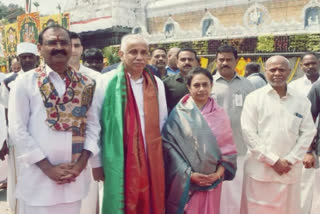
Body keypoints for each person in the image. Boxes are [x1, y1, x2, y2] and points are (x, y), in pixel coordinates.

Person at [8, 25, 99, 214]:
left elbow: (93, 125)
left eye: (63, 42)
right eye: (51, 42)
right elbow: (17, 129)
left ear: (71, 48)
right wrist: (48, 168)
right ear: (40, 49)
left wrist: (81, 164)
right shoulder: (25, 83)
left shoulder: (86, 83)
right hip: (38, 181)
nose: (59, 47)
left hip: (74, 179)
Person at [89, 34, 167, 214]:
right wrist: (96, 162)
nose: (139, 57)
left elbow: (162, 121)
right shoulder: (105, 82)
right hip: (115, 159)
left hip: (150, 159)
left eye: (143, 52)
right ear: (121, 54)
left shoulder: (156, 84)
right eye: (133, 52)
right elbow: (94, 123)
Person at [240, 55, 316, 214]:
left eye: (281, 69)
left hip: (289, 170)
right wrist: (272, 160)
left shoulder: (301, 100)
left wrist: (290, 159)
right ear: (265, 71)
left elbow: (308, 132)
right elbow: (248, 133)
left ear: (289, 71)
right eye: (273, 69)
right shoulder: (254, 99)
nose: (277, 73)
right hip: (260, 171)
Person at [162, 67, 237, 214]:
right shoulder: (178, 114)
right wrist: (188, 174)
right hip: (186, 182)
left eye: (205, 84)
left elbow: (228, 150)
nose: (201, 89)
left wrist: (218, 173)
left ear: (211, 86)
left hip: (214, 180)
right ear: (188, 87)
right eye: (196, 85)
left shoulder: (220, 115)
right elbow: (168, 146)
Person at [211, 45, 254, 214]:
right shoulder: (208, 83)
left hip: (240, 147)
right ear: (216, 61)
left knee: (237, 190)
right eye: (221, 59)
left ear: (237, 61)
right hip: (214, 149)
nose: (225, 63)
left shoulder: (247, 85)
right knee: (218, 191)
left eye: (229, 59)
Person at [68, 31, 101, 214]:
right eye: (69, 45)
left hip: (89, 149)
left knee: (89, 203)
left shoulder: (96, 78)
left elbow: (98, 119)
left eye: (77, 46)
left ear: (82, 49)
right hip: (61, 153)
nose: (73, 50)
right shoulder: (49, 77)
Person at [289, 52, 320, 214]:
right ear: (301, 66)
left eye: (313, 63)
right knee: (305, 186)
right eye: (307, 64)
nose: (310, 67)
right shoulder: (294, 87)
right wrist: (308, 148)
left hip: (314, 142)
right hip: (303, 143)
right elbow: (303, 118)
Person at [164, 48, 198, 112]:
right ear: (177, 63)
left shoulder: (204, 81)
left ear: (196, 62)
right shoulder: (167, 83)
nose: (187, 62)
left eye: (190, 59)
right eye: (183, 60)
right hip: (177, 120)